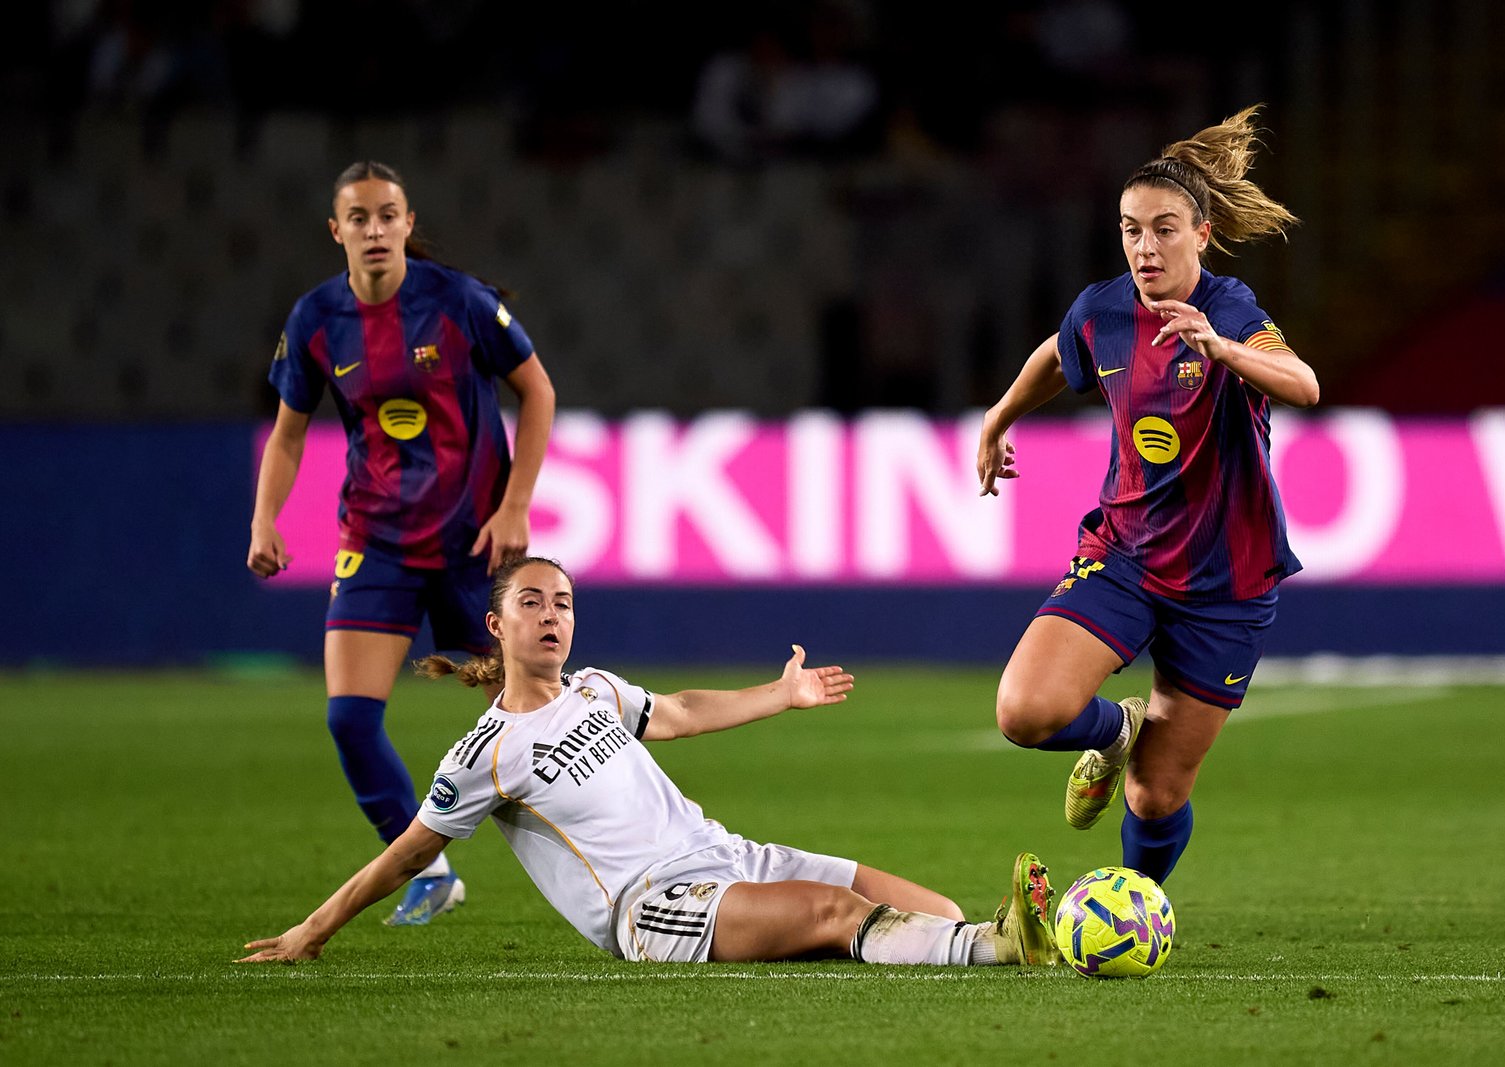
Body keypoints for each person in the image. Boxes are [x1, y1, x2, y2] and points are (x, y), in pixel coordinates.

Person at [237, 556, 1060, 968]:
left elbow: (679, 712)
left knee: (933, 906)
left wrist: (781, 694)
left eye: (563, 601)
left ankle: (986, 937)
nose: (552, 615)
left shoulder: (595, 687)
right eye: (531, 602)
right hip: (656, 905)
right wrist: (314, 927)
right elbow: (410, 851)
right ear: (496, 626)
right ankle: (1009, 945)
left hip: (730, 856)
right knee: (836, 910)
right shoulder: (485, 753)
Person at [975, 105, 1319, 887]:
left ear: (1201, 234)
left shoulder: (1230, 310)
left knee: (1156, 794)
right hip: (1125, 556)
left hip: (1227, 583)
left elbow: (1303, 383)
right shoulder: (1103, 309)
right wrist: (999, 418)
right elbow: (1056, 354)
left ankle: (1134, 902)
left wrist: (1222, 349)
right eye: (1132, 230)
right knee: (1024, 712)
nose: (1145, 247)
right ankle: (1115, 729)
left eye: (1164, 230)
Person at [246, 161, 557, 926]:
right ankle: (432, 873)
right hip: (376, 542)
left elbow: (538, 390)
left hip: (473, 543)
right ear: (337, 230)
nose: (375, 229)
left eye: (388, 214)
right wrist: (264, 518)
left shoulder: (458, 301)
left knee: (538, 726)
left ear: (408, 223)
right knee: (350, 720)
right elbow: (288, 434)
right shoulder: (316, 318)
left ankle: (626, 854)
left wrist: (515, 504)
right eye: (359, 217)